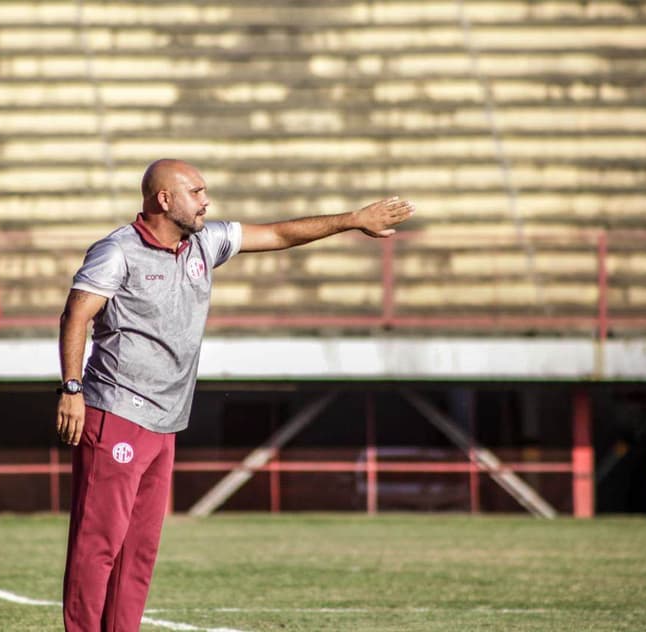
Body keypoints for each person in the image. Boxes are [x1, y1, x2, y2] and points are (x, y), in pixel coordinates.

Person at [56, 159, 415, 630]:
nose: (206, 201)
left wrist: (353, 220)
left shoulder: (206, 241)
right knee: (98, 542)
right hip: (116, 411)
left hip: (166, 421)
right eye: (197, 191)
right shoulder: (117, 251)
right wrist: (72, 389)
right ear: (165, 199)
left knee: (139, 552)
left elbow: (281, 235)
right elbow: (76, 315)